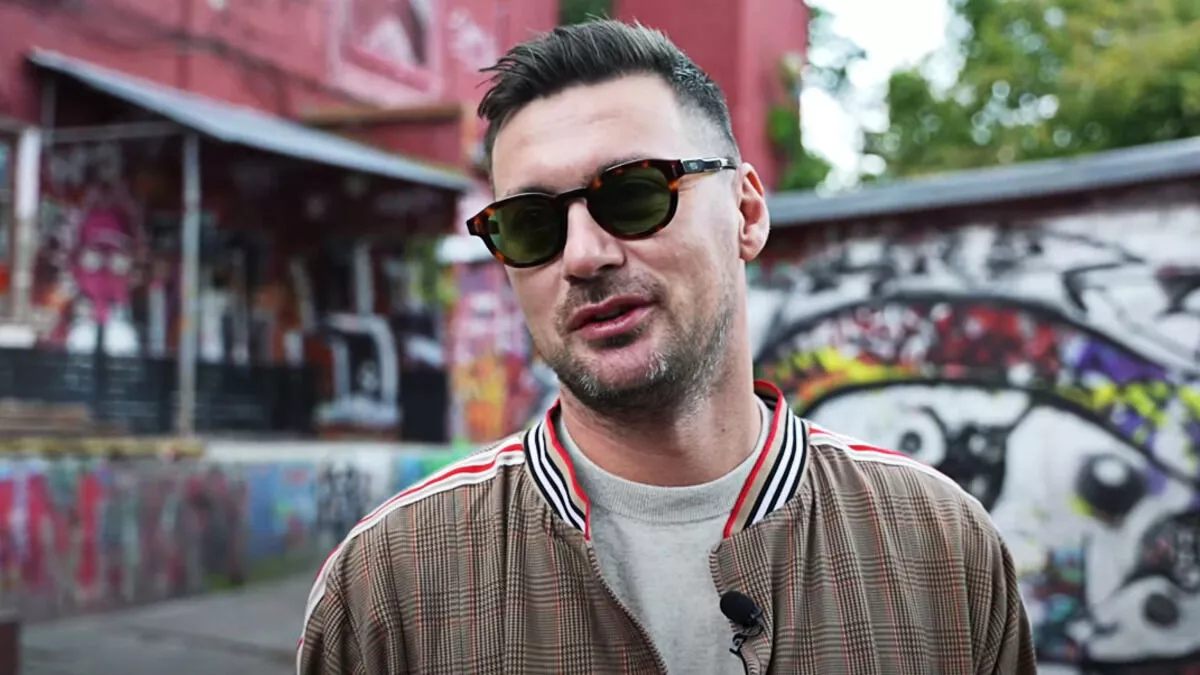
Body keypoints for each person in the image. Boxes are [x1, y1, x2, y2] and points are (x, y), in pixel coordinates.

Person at [298, 19, 1038, 675]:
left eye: (634, 195)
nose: (583, 255)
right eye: (529, 224)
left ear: (747, 212)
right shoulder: (391, 582)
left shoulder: (940, 546)